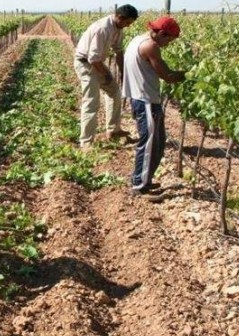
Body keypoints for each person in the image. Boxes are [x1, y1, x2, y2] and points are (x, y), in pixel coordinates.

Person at [122, 17, 186, 201]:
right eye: (169, 39)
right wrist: (192, 74)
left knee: (158, 143)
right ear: (161, 33)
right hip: (146, 101)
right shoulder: (151, 46)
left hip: (142, 99)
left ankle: (145, 180)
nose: (168, 44)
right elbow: (168, 76)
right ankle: (140, 186)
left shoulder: (137, 39)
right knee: (149, 143)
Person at [74, 4, 138, 149]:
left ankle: (113, 130)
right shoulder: (102, 28)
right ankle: (86, 143)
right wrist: (106, 75)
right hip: (86, 64)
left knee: (115, 92)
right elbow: (93, 59)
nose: (128, 26)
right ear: (120, 17)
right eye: (127, 23)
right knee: (91, 102)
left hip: (97, 63)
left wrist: (123, 72)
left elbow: (119, 51)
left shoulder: (118, 28)